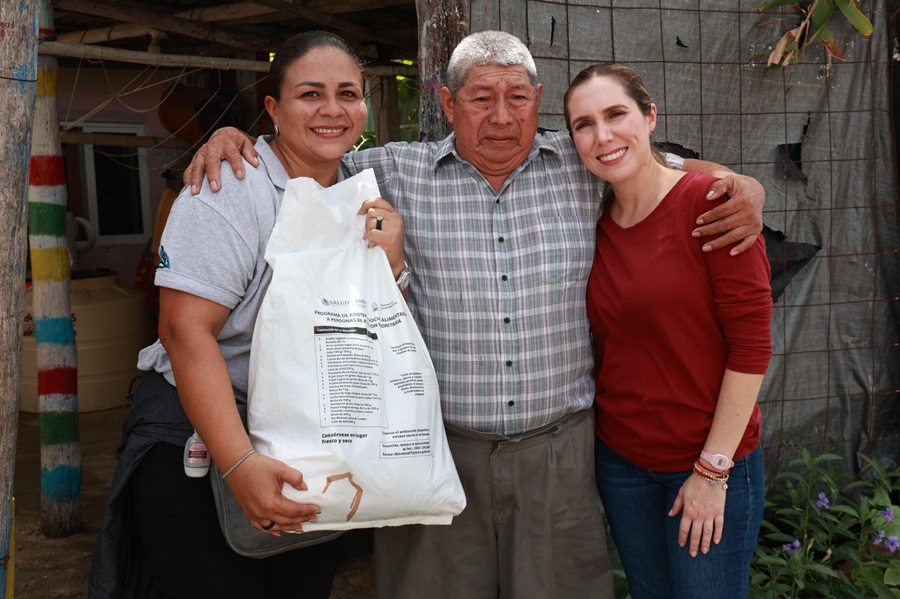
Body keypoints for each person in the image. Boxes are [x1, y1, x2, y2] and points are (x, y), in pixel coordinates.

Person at [183, 31, 766, 599]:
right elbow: (313, 150)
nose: (503, 118)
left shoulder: (583, 162)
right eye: (481, 99)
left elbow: (662, 169)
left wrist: (742, 186)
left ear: (538, 101)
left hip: (558, 452)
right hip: (438, 446)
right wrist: (238, 139)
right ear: (446, 103)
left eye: (517, 98)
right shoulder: (393, 172)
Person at [88, 31, 407, 598]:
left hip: (308, 438)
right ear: (273, 109)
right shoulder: (230, 187)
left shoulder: (363, 189)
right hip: (205, 436)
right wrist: (238, 465)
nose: (332, 110)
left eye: (348, 93)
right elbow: (184, 331)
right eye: (310, 94)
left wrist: (394, 261)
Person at [564, 63, 772, 598]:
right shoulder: (593, 218)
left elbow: (752, 346)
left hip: (706, 462)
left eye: (616, 114)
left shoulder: (714, 206)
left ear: (650, 116)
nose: (603, 135)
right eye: (584, 124)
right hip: (623, 463)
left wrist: (712, 470)